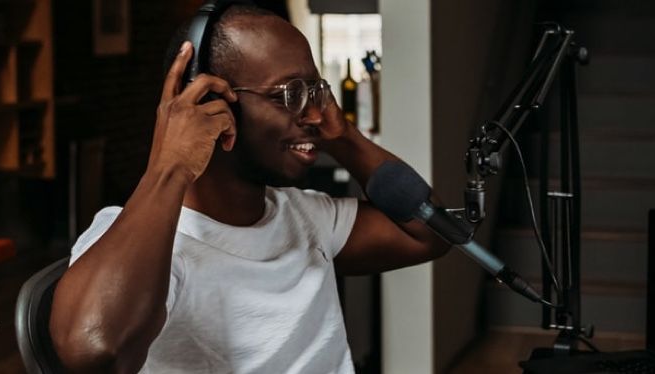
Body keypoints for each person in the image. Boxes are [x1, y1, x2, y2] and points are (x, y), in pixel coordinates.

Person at [50, 4, 450, 373]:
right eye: (290, 94)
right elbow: (94, 350)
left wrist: (342, 135)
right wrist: (169, 167)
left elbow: (432, 233)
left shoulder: (307, 216)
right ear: (210, 101)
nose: (313, 114)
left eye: (315, 92)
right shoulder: (140, 240)